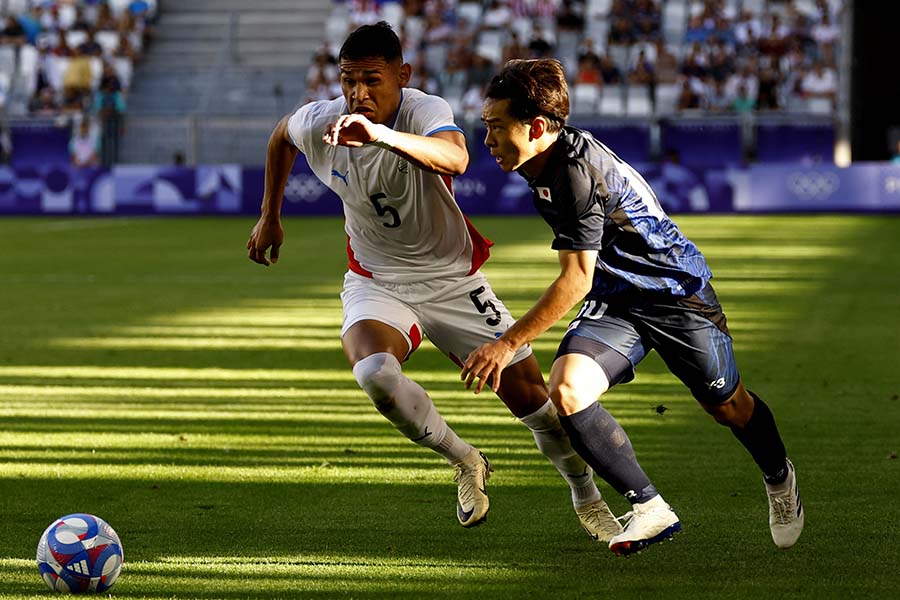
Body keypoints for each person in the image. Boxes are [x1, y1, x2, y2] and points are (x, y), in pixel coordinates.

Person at [246, 22, 620, 540]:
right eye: (348, 80)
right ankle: (465, 460)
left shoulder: (424, 110)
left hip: (451, 279)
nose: (358, 93)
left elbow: (457, 158)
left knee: (535, 402)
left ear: (402, 75)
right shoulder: (322, 120)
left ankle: (587, 496)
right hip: (376, 279)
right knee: (375, 372)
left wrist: (378, 134)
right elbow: (281, 137)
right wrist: (271, 215)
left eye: (372, 80)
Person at [466, 58, 803, 556]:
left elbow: (575, 279)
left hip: (676, 294)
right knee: (568, 389)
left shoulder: (575, 174)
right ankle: (649, 507)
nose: (487, 140)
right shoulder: (542, 158)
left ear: (537, 127)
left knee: (729, 407)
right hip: (619, 299)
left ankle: (779, 476)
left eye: (496, 127)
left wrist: (508, 342)